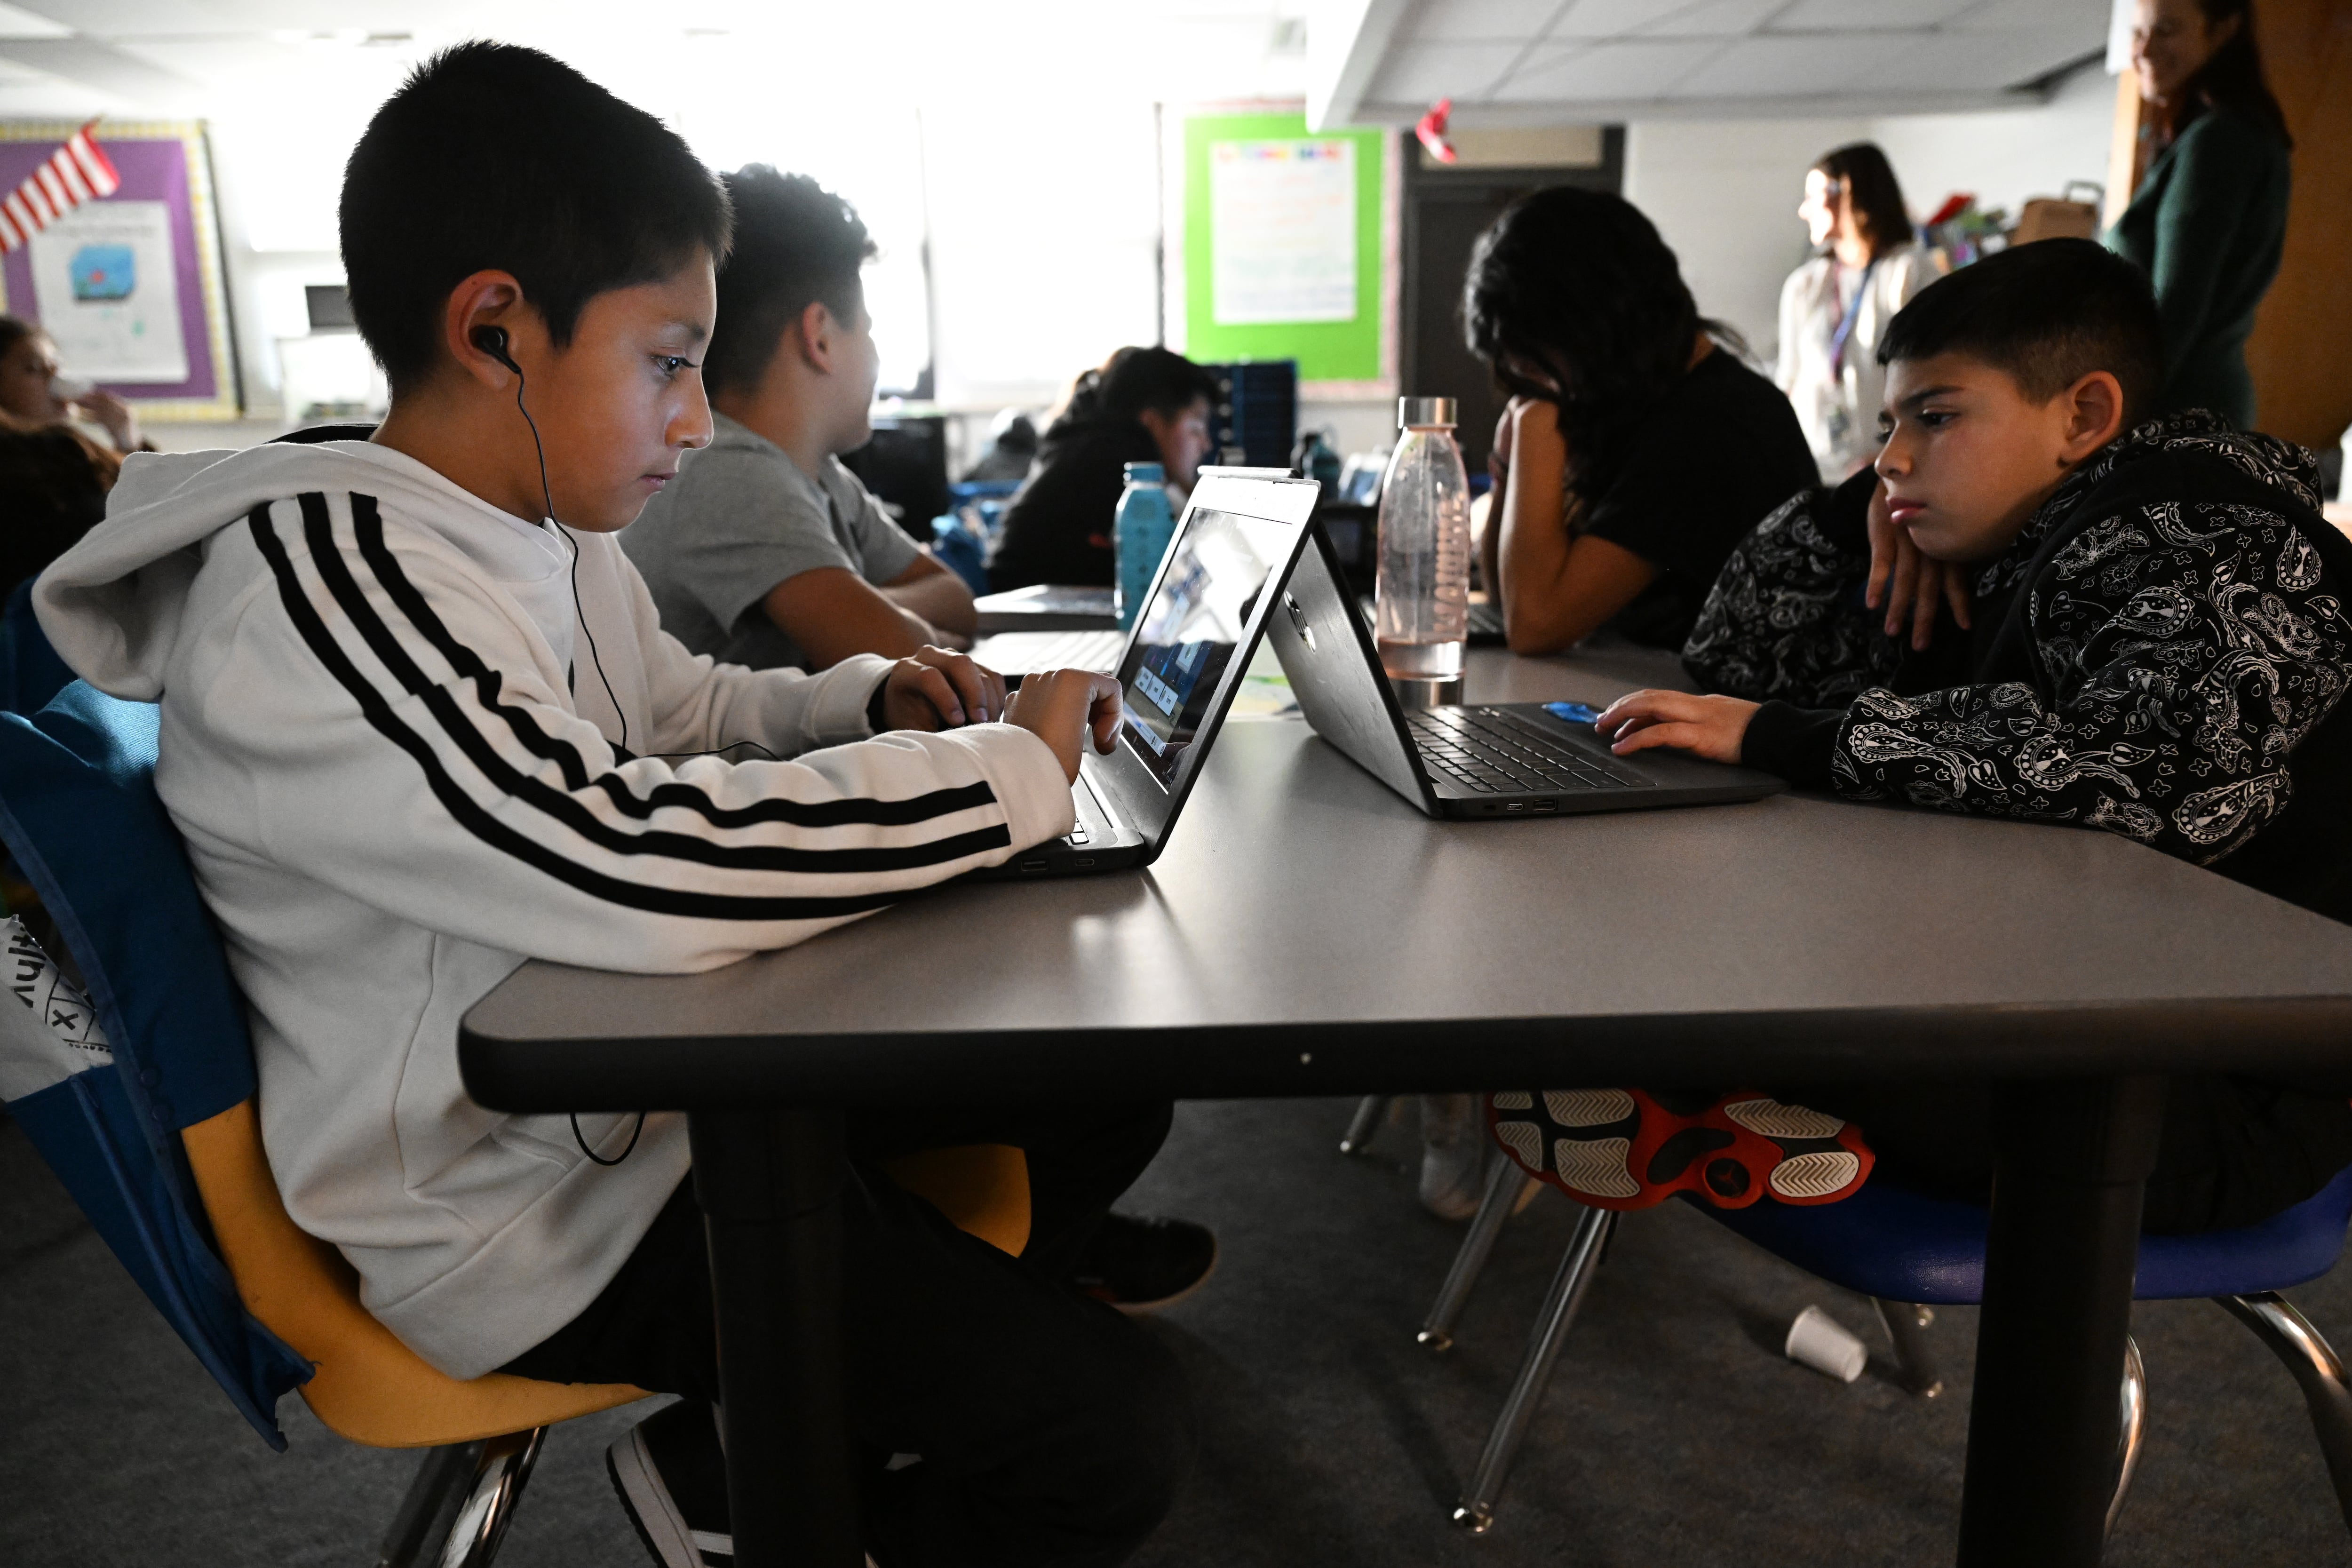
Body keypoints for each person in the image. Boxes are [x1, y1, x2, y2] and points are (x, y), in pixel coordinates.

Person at [31, 43, 1192, 1568]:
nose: (701, 419)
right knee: (1106, 1452)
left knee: (1095, 1080)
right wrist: (1015, 772)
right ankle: (773, 1490)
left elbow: (683, 714)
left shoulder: (536, 526)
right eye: (668, 360)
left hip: (643, 1093)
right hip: (517, 1210)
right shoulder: (334, 592)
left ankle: (772, 1440)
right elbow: (627, 858)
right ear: (498, 328)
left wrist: (867, 701)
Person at [1512, 239, 2352, 1232]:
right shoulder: (2025, 529)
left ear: (2083, 416)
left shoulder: (2217, 538)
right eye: (1886, 427)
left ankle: (1709, 1098)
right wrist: (1860, 507)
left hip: (2207, 1083)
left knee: (1707, 982)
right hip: (2059, 992)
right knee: (1709, 959)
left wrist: (1781, 738)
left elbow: (2139, 771)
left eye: (1937, 417)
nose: (1896, 454)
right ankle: (1725, 1100)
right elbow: (1732, 645)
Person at [622, 167, 976, 673]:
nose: (875, 355)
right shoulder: (729, 472)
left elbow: (956, 599)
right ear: (821, 337)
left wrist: (855, 599)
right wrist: (874, 610)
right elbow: (909, 654)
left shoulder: (821, 474)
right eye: (869, 331)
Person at [1468, 187, 1818, 658]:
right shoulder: (1645, 402)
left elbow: (1534, 625)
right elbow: (1504, 598)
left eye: (1539, 360)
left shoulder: (1713, 421)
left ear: (1593, 325)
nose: (1535, 385)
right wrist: (1507, 469)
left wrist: (1534, 434)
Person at [2105, 0, 2292, 429]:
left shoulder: (2218, 142)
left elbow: (2173, 312)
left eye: (2167, 30)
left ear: (2224, 30)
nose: (2145, 50)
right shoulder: (2235, 133)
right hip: (2196, 409)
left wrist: (2102, 423)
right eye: (2138, 33)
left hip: (2177, 415)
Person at [1775, 143, 1943, 484]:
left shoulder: (1911, 273)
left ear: (1848, 191)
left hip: (1889, 470)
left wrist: (1891, 452)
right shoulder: (1806, 285)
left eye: (1813, 195)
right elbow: (1789, 382)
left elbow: (1936, 379)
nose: (1804, 210)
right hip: (1817, 471)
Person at [986, 347, 1216, 592]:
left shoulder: (1089, 444)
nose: (1206, 444)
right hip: (1024, 608)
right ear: (1152, 422)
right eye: (1196, 427)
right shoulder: (1115, 464)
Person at [0, 316, 147, 602]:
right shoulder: (56, 454)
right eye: (33, 369)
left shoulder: (60, 452)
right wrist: (127, 442)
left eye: (56, 365)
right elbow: (153, 508)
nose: (55, 378)